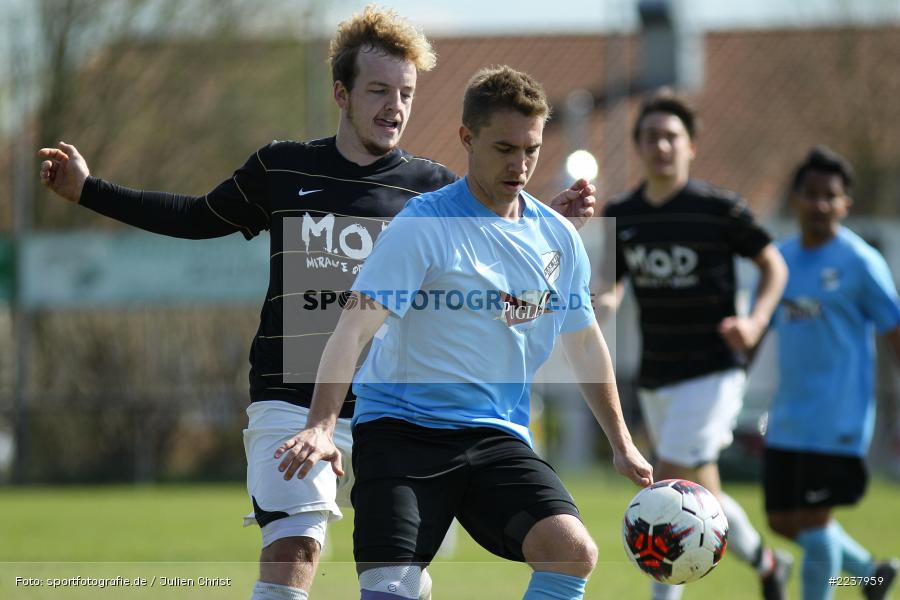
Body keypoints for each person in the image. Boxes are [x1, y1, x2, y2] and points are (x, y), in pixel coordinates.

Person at [37, 7, 595, 600]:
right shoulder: (283, 168)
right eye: (378, 89)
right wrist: (89, 191)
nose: (395, 106)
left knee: (402, 582)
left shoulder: (431, 187)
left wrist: (551, 219)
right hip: (292, 398)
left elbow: (497, 256)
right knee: (295, 547)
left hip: (400, 413)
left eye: (405, 92)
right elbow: (197, 218)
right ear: (341, 93)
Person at [274, 65, 653, 600]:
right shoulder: (424, 226)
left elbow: (587, 343)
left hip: (495, 437)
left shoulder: (557, 239)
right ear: (467, 138)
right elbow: (353, 327)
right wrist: (320, 423)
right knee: (389, 589)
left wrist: (622, 442)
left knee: (572, 553)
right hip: (402, 433)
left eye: (531, 149)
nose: (519, 165)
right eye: (503, 148)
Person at [594, 90, 792, 600]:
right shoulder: (623, 212)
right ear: (638, 146)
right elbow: (610, 287)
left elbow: (774, 264)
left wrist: (755, 321)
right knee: (707, 497)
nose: (661, 145)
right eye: (651, 137)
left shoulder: (718, 209)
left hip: (714, 370)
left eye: (671, 136)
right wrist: (600, 306)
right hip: (658, 376)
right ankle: (769, 563)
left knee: (671, 489)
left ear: (691, 146)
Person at [764, 146, 900, 600]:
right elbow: (755, 329)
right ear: (795, 198)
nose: (820, 204)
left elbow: (895, 331)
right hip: (788, 419)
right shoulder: (778, 263)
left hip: (838, 419)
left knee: (816, 528)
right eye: (811, 193)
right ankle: (866, 574)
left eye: (831, 195)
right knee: (782, 520)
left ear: (846, 204)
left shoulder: (861, 263)